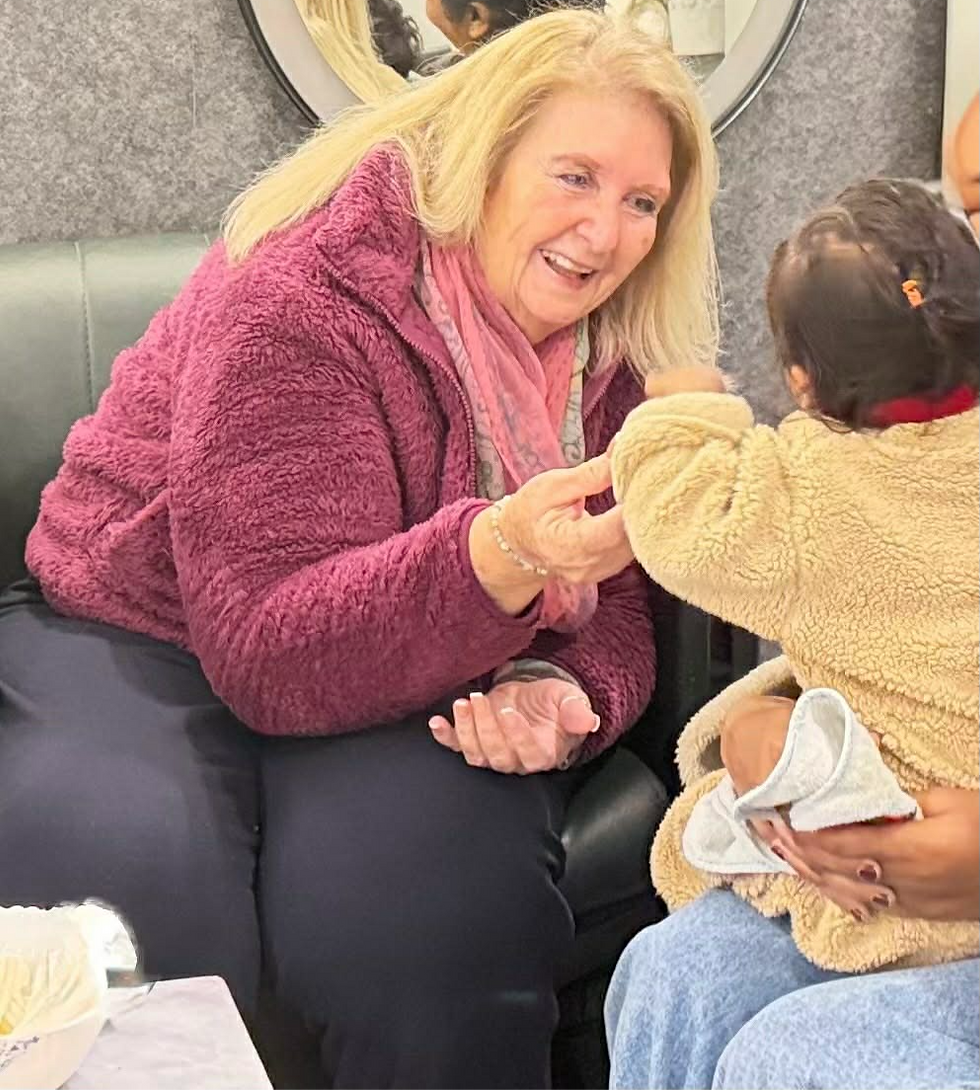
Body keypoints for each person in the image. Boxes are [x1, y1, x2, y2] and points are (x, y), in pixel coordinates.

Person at [0, 12, 719, 1090]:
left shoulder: (608, 358)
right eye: (572, 176)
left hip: (425, 648)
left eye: (640, 202)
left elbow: (610, 603)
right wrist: (496, 559)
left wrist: (553, 686)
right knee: (137, 892)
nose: (604, 232)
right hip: (146, 626)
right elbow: (267, 650)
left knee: (423, 919)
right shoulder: (301, 293)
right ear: (481, 160)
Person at [604, 178, 980, 1088]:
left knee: (798, 1056)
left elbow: (682, 515)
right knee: (678, 972)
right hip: (903, 853)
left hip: (915, 897)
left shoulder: (807, 487)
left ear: (803, 382)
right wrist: (760, 727)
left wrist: (678, 409)